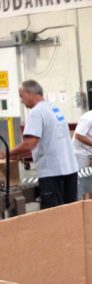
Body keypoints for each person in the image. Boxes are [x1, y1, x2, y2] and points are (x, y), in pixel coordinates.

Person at [0, 80, 79, 209]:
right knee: (69, 213)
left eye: (21, 96)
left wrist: (6, 154)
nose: (21, 100)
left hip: (53, 173)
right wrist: (20, 155)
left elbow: (29, 144)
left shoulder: (36, 112)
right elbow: (47, 141)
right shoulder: (53, 108)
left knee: (52, 216)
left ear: (29, 92)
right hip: (69, 170)